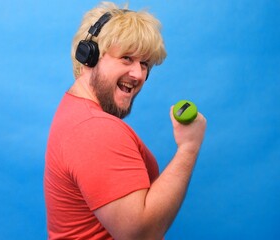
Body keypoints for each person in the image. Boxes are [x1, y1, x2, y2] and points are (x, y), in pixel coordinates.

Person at [44, 2, 207, 239]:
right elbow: (141, 234)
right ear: (88, 56)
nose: (139, 74)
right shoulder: (94, 130)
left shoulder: (74, 111)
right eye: (126, 58)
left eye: (144, 64)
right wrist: (188, 148)